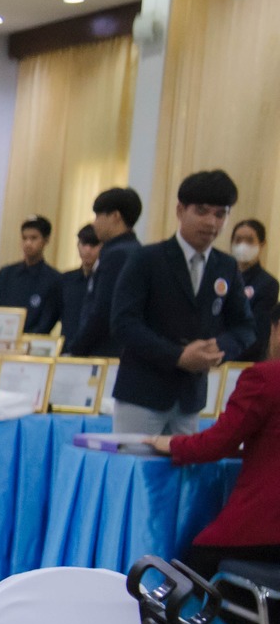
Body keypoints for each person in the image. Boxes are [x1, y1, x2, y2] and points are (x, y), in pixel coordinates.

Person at [109, 170, 255, 435]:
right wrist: (177, 356)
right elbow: (124, 323)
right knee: (134, 473)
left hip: (190, 399)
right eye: (202, 211)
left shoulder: (227, 266)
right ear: (180, 210)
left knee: (181, 475)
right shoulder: (146, 259)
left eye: (220, 214)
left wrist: (216, 349)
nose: (211, 222)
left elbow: (245, 328)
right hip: (142, 395)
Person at [146, 323, 280, 579]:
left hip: (262, 529)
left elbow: (219, 442)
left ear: (274, 330)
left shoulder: (265, 378)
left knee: (186, 574)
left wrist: (172, 444)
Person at [65, 187, 144, 357]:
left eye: (98, 216)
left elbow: (103, 309)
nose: (94, 223)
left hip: (104, 352)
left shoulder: (117, 254)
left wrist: (76, 349)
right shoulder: (135, 249)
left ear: (115, 216)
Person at [0, 215, 61, 336]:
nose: (28, 243)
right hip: (3, 340)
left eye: (34, 238)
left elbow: (47, 321)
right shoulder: (6, 274)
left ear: (46, 240)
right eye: (24, 238)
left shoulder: (54, 279)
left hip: (34, 344)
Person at [232, 219, 277, 363]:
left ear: (261, 244)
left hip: (245, 359)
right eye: (238, 240)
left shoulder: (267, 283)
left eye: (250, 240)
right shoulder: (223, 277)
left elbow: (258, 332)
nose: (243, 245)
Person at [59, 224, 100, 353]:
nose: (88, 250)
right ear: (78, 245)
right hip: (66, 349)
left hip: (95, 351)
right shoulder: (66, 279)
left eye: (93, 245)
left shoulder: (104, 281)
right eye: (84, 244)